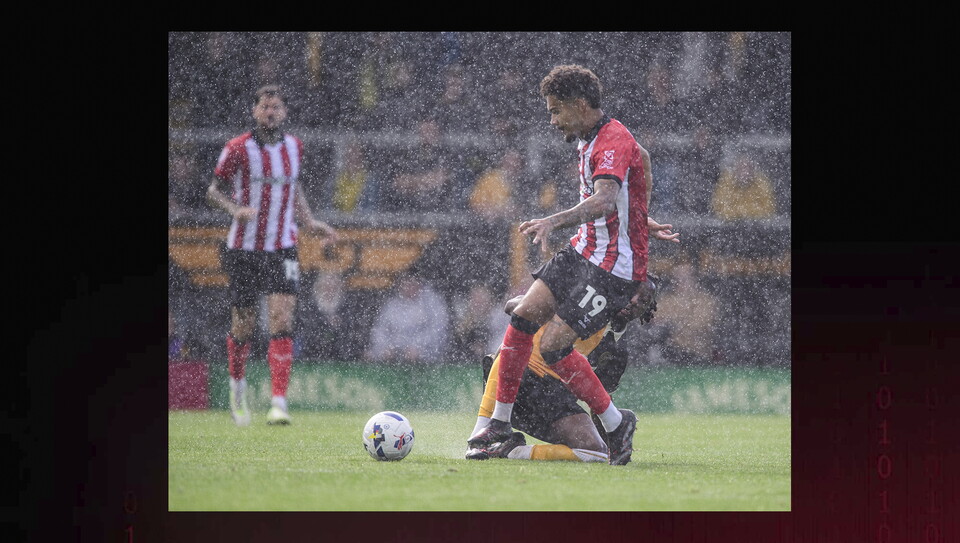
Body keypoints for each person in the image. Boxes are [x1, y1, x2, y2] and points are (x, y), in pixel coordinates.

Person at [467, 64, 678, 466]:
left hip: (612, 267)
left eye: (556, 111)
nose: (552, 120)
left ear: (581, 106)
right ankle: (497, 423)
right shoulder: (590, 136)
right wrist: (637, 212)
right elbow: (642, 160)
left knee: (553, 344)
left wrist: (553, 220)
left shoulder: (611, 139)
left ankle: (616, 424)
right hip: (584, 250)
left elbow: (602, 199)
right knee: (524, 315)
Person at [207, 84, 338, 426]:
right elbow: (212, 190)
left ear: (284, 112)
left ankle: (279, 401)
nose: (271, 113)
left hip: (283, 245)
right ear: (255, 112)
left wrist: (310, 222)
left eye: (276, 107)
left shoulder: (295, 146)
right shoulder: (237, 148)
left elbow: (293, 187)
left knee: (282, 318)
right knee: (244, 325)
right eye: (265, 107)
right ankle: (238, 388)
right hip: (244, 248)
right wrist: (234, 209)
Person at [466, 276, 659, 462]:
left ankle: (510, 451)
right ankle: (483, 433)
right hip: (517, 377)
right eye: (630, 293)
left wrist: (615, 442)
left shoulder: (617, 355)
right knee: (510, 351)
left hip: (550, 397)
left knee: (595, 452)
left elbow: (600, 402)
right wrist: (537, 310)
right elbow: (512, 305)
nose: (633, 301)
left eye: (643, 299)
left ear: (648, 309)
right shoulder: (585, 301)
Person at [364, 273, 451, 364]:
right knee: (369, 356)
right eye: (405, 284)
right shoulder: (392, 305)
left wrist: (417, 346)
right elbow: (380, 330)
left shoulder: (432, 302)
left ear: (419, 283)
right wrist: (385, 347)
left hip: (427, 353)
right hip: (395, 351)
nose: (409, 287)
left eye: (412, 283)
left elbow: (438, 330)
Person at [709, 148, 776, 219]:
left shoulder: (761, 183)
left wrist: (741, 214)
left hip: (757, 227)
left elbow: (769, 210)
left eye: (748, 168)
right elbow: (719, 209)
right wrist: (746, 213)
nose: (745, 172)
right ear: (735, 169)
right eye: (741, 168)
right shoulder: (725, 183)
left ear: (753, 169)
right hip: (729, 227)